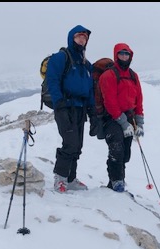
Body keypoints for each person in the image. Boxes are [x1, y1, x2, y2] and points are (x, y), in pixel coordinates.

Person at [46, 25, 97, 193]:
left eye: (84, 37)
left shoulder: (85, 63)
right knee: (70, 143)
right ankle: (60, 178)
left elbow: (89, 88)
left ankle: (70, 178)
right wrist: (58, 103)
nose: (82, 39)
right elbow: (52, 80)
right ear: (71, 38)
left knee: (78, 145)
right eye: (79, 36)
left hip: (80, 108)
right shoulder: (61, 57)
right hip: (65, 106)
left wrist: (92, 110)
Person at [98, 43, 144, 192]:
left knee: (125, 153)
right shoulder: (108, 75)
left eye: (127, 54)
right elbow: (109, 102)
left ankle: (118, 181)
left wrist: (139, 122)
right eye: (121, 54)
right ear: (116, 55)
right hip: (111, 118)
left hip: (129, 117)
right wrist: (124, 124)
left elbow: (139, 99)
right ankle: (116, 182)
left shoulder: (133, 75)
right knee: (116, 149)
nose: (124, 56)